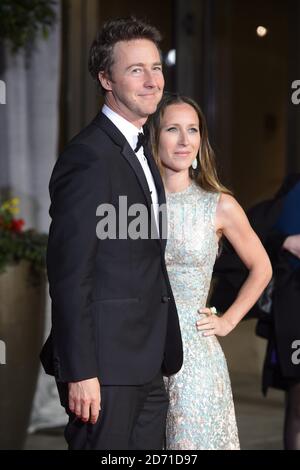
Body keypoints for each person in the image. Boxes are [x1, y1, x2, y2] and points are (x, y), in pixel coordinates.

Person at [40, 18, 183, 450]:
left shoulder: (142, 149)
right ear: (106, 78)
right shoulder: (88, 157)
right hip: (103, 371)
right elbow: (69, 274)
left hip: (148, 364)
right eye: (135, 69)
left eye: (156, 68)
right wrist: (81, 371)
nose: (152, 80)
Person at [148, 93, 272, 450]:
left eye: (193, 130)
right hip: (141, 350)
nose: (185, 140)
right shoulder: (136, 203)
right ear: (156, 136)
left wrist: (228, 321)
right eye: (173, 129)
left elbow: (261, 267)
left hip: (195, 356)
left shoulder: (218, 204)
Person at [256, 175, 300, 450]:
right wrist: (286, 241)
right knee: (299, 405)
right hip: (295, 310)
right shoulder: (294, 189)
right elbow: (260, 228)